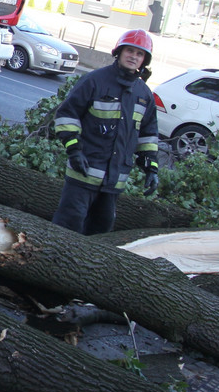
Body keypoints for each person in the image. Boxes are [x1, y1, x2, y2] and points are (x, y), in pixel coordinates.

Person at [51, 29, 160, 236]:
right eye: (130, 51)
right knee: (67, 226)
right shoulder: (94, 81)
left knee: (100, 231)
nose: (133, 57)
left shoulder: (144, 94)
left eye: (139, 54)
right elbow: (67, 115)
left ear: (144, 60)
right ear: (119, 52)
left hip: (114, 180)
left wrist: (151, 169)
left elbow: (148, 135)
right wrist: (74, 151)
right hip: (83, 173)